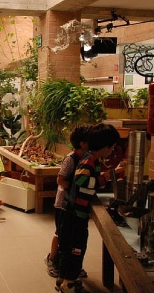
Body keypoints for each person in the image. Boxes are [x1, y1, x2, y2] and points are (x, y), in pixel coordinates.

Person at [57, 123, 122, 293]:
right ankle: (69, 284)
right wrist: (102, 179)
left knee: (68, 247)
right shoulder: (89, 160)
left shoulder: (90, 158)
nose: (112, 150)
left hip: (72, 211)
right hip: (76, 213)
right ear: (106, 147)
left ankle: (62, 278)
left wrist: (101, 176)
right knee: (76, 248)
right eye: (112, 147)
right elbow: (81, 181)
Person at [45, 125, 90, 279]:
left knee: (70, 236)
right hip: (63, 203)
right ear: (83, 143)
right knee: (60, 232)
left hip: (73, 204)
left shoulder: (87, 158)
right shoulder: (71, 159)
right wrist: (75, 189)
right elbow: (60, 179)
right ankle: (51, 259)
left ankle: (70, 263)